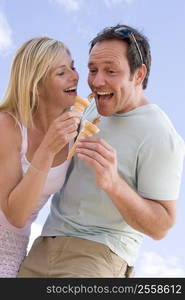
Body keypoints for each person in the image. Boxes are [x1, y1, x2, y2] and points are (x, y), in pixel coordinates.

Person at [17, 24, 185, 278]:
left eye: (111, 71)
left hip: (98, 257)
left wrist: (114, 184)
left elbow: (161, 226)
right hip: (44, 246)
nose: (97, 82)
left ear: (139, 75)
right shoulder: (91, 106)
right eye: (92, 70)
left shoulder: (160, 135)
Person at [0, 36, 81, 277]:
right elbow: (15, 214)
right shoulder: (8, 125)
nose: (75, 76)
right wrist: (46, 150)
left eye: (73, 67)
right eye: (61, 72)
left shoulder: (77, 131)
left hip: (16, 247)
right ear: (36, 86)